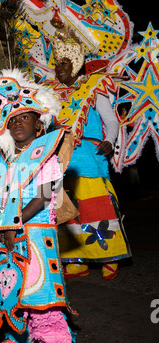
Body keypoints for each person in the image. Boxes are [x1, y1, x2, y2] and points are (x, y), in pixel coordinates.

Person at [0, 68, 77, 343]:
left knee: (39, 289)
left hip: (35, 233)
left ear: (39, 123)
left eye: (24, 117)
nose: (17, 122)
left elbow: (43, 196)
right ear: (3, 125)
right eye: (11, 118)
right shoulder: (0, 163)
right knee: (10, 289)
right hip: (7, 236)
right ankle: (24, 334)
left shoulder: (47, 155)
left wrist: (13, 223)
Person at [46, 29, 131, 280]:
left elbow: (111, 121)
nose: (58, 68)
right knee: (67, 207)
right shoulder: (50, 95)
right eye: (57, 63)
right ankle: (76, 260)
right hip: (61, 159)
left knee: (96, 207)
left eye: (63, 63)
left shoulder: (95, 87)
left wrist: (109, 141)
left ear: (75, 64)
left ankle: (110, 256)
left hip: (89, 156)